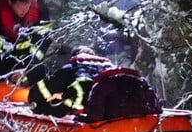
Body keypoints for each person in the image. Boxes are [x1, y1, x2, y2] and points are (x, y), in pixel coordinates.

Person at [30, 46, 162, 121]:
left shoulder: (75, 65)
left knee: (60, 103)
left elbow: (47, 87)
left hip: (87, 111)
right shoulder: (109, 66)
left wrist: (35, 102)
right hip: (112, 110)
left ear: (75, 55)